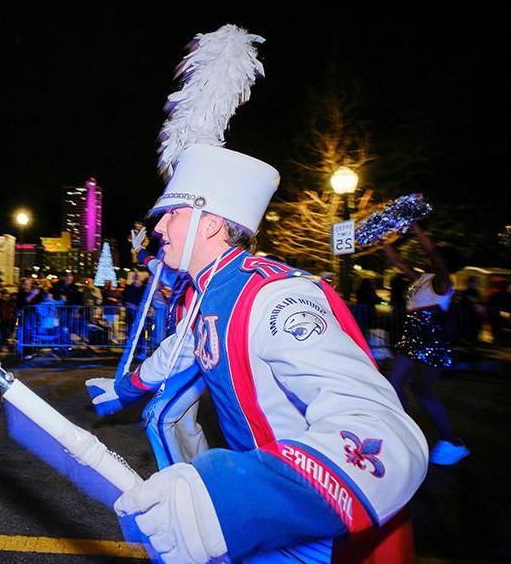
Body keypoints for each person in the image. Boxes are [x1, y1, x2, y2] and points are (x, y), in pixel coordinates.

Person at [88, 144, 428, 562]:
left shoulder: (274, 296)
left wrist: (238, 492)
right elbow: (177, 353)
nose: (159, 228)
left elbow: (382, 430)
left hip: (304, 528)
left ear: (209, 225)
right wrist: (124, 387)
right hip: (270, 523)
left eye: (172, 214)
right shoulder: (208, 292)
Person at [382, 224, 470, 465]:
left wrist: (416, 228)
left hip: (431, 342)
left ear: (443, 261)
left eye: (433, 255)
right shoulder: (423, 279)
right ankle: (404, 432)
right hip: (411, 337)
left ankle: (453, 441)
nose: (425, 256)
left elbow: (431, 251)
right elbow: (397, 262)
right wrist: (383, 239)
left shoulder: (443, 281)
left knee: (424, 393)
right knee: (394, 385)